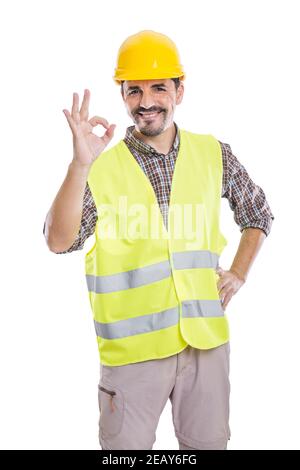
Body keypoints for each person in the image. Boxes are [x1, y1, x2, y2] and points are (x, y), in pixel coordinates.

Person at [43, 30, 274, 450]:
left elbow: (257, 214)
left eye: (158, 88)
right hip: (133, 356)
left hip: (205, 345)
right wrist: (79, 165)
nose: (146, 101)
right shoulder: (98, 166)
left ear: (179, 91)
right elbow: (59, 241)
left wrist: (238, 272)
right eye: (134, 91)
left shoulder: (213, 153)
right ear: (123, 95)